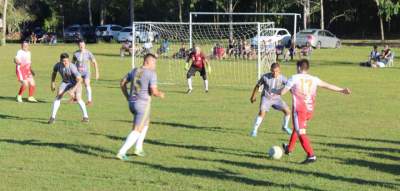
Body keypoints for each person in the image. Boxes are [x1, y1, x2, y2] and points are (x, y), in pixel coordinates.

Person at [280, 59, 351, 164]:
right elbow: (327, 85)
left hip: (300, 110)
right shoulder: (314, 79)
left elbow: (283, 92)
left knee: (301, 132)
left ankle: (311, 155)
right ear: (307, 68)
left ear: (299, 68)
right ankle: (289, 148)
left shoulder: (294, 77)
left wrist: (274, 91)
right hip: (309, 110)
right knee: (297, 127)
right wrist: (341, 90)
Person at [116, 53, 165, 161]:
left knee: (146, 123)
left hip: (132, 102)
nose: (155, 65)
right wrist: (160, 94)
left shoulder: (134, 70)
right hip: (143, 104)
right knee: (137, 129)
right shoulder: (151, 73)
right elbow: (154, 91)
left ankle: (138, 148)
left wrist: (127, 96)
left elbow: (122, 82)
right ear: (147, 62)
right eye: (154, 62)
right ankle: (121, 152)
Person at [249, 63, 292, 137]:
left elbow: (289, 86)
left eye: (277, 71)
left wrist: (294, 95)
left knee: (288, 111)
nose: (275, 73)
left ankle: (285, 127)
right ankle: (254, 130)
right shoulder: (265, 77)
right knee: (262, 112)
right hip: (266, 98)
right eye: (273, 71)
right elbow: (257, 86)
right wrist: (253, 96)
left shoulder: (283, 78)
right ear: (270, 70)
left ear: (279, 71)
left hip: (277, 98)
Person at [48, 53, 89, 124]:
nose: (65, 62)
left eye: (66, 61)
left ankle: (86, 117)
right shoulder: (57, 65)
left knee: (78, 98)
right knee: (58, 97)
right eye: (63, 61)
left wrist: (73, 90)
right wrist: (52, 83)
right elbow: (54, 73)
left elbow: (80, 80)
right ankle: (52, 117)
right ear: (60, 60)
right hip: (65, 82)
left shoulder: (72, 67)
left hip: (76, 83)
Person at [72, 40, 100, 106]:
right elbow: (72, 63)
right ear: (78, 46)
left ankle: (89, 101)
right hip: (78, 73)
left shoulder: (88, 53)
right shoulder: (76, 53)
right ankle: (76, 98)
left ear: (85, 45)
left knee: (87, 84)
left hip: (86, 72)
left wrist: (97, 72)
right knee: (77, 85)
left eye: (82, 45)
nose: (81, 46)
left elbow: (94, 62)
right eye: (80, 45)